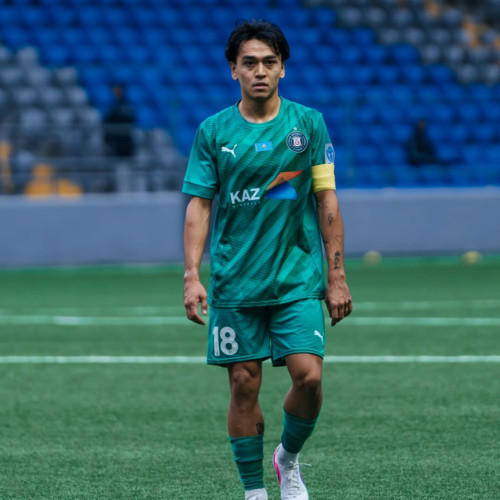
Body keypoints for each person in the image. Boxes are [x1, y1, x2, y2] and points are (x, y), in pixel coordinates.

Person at [182, 20, 352, 500]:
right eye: (250, 62)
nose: (260, 71)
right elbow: (199, 206)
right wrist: (192, 275)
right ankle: (253, 491)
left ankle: (288, 459)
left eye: (269, 62)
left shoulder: (308, 124)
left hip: (296, 278)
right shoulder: (213, 131)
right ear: (233, 69)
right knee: (243, 383)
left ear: (283, 69)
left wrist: (337, 275)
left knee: (309, 378)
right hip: (236, 283)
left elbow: (326, 199)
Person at [103, 84, 136, 191]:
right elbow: (107, 124)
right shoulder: (113, 107)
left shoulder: (126, 106)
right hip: (117, 145)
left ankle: (128, 191)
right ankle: (122, 191)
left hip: (126, 144)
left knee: (128, 170)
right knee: (119, 171)